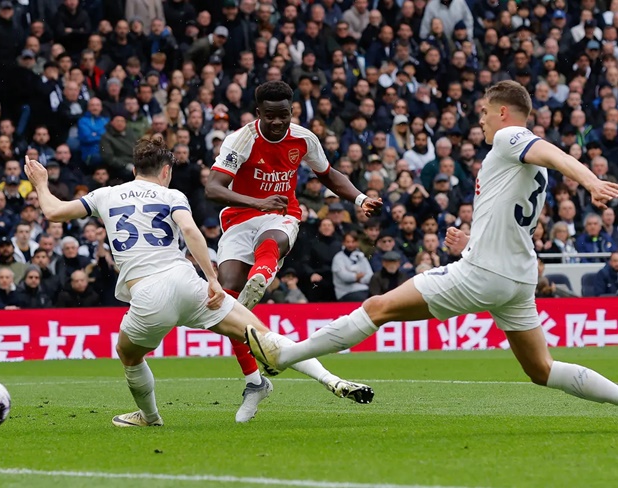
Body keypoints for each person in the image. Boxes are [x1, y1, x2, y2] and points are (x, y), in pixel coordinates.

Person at [247, 81, 618, 411]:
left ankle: (285, 354)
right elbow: (513, 221)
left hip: (483, 273)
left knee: (378, 308)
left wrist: (590, 181)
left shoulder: (510, 138)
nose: (482, 121)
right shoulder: (527, 168)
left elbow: (554, 152)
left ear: (503, 112)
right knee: (541, 369)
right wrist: (472, 241)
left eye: (485, 113)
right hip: (517, 279)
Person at [24, 139, 373, 428]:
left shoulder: (106, 195)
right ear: (166, 171)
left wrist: (41, 182)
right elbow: (190, 232)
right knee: (262, 336)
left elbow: (54, 212)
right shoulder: (173, 196)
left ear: (134, 170)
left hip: (148, 294)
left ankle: (150, 417)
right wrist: (213, 279)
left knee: (129, 357)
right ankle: (331, 379)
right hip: (187, 282)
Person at [205, 81, 382, 415]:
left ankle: (261, 275)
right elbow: (213, 188)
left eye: (284, 115)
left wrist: (360, 198)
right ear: (258, 113)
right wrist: (256, 201)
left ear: (292, 112)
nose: (277, 122)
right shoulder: (240, 140)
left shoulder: (303, 138)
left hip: (281, 213)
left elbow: (328, 175)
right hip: (240, 218)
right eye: (270, 116)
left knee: (272, 241)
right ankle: (255, 382)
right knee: (227, 298)